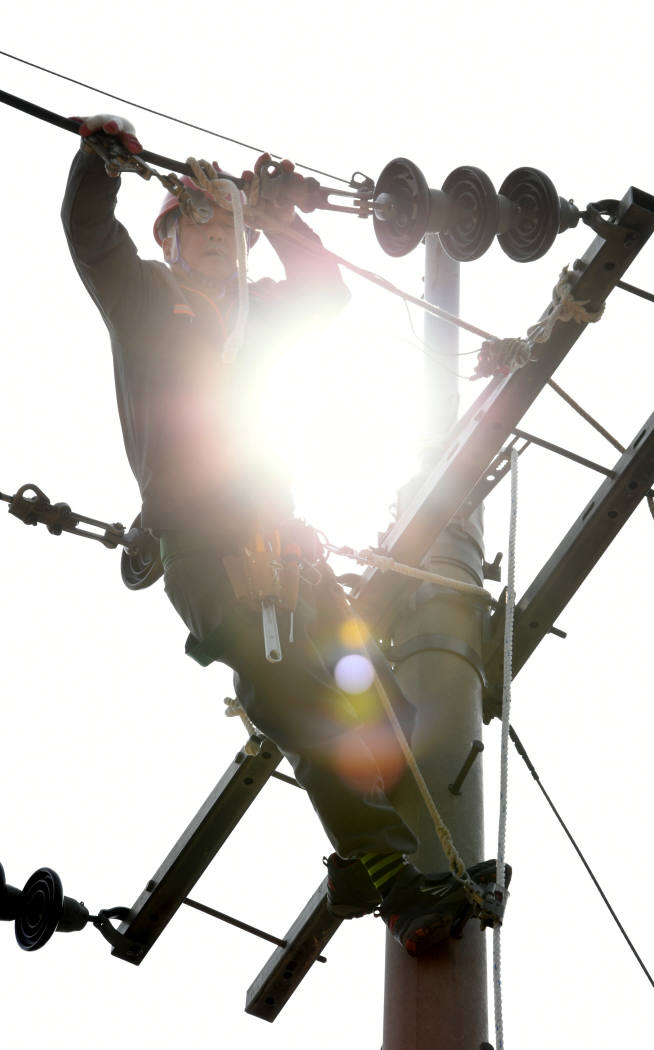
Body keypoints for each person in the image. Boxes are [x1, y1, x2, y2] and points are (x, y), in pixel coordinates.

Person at [62, 114, 492, 956]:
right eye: (196, 222)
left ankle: (374, 819)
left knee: (380, 708)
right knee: (287, 689)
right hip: (207, 555)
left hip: (289, 559)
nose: (214, 235)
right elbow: (89, 235)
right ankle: (386, 872)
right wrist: (98, 158)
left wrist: (279, 216)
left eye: (226, 224)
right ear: (173, 240)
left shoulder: (257, 317)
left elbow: (326, 295)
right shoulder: (146, 299)